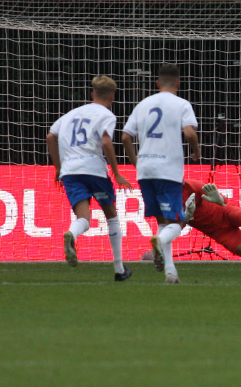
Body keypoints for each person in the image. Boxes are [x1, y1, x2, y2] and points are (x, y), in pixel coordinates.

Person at [46, 75, 134, 281]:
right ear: (112, 96)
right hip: (94, 170)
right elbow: (105, 141)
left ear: (92, 93)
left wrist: (58, 168)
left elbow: (51, 136)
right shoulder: (106, 115)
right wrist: (117, 171)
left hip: (70, 172)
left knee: (83, 218)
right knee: (111, 215)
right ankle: (119, 269)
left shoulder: (70, 114)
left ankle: (72, 235)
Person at [122, 63, 200, 284]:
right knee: (176, 221)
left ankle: (170, 272)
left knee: (162, 220)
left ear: (157, 83)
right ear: (178, 83)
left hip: (145, 170)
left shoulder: (143, 104)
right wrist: (196, 150)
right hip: (168, 170)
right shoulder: (182, 104)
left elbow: (126, 137)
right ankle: (159, 240)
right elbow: (189, 132)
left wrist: (135, 160)